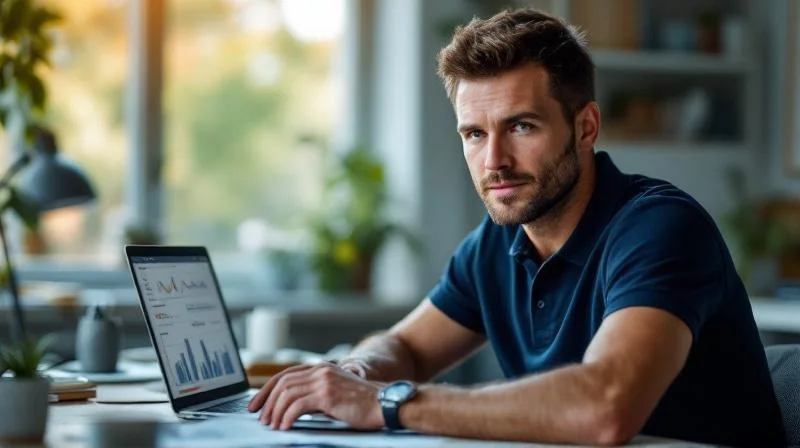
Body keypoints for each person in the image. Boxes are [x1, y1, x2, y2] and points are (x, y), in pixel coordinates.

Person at [249, 8, 784, 447]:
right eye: (474, 134)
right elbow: (406, 349)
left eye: (521, 126)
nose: (494, 161)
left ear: (585, 127)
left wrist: (388, 404)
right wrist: (359, 374)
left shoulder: (660, 228)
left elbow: (605, 408)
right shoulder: (497, 243)